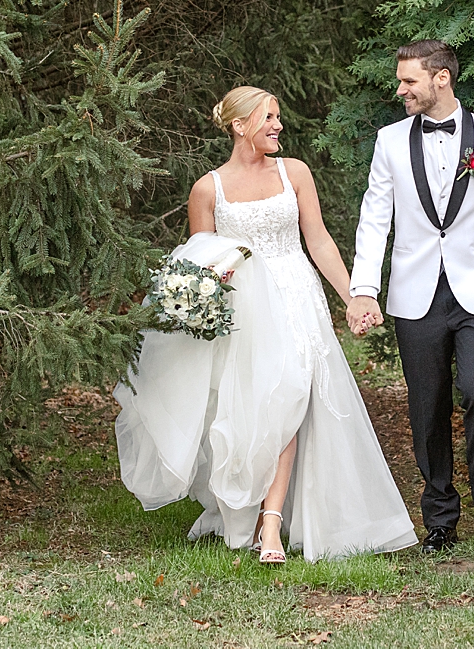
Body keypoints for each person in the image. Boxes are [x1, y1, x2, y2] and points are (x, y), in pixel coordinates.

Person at [114, 87, 417, 563]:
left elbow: (317, 241)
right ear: (239, 126)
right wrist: (209, 285)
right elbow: (202, 261)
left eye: (278, 117)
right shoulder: (207, 189)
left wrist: (354, 297)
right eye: (268, 117)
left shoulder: (294, 172)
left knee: (292, 395)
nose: (278, 125)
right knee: (255, 408)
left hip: (297, 298)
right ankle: (251, 509)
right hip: (247, 311)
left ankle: (272, 524)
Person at [347, 40, 474, 553]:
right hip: (414, 294)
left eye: (409, 82)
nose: (400, 89)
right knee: (426, 407)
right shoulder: (390, 141)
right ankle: (440, 516)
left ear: (440, 78)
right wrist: (363, 288)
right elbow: (375, 218)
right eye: (400, 81)